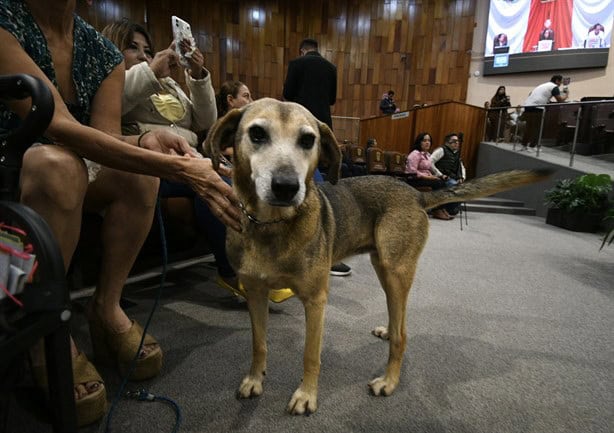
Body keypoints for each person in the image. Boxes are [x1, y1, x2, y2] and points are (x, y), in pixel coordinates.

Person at [0, 0, 240, 426]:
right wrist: (179, 167)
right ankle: (41, 336)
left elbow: (103, 139)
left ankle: (105, 308)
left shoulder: (100, 51)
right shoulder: (5, 20)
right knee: (60, 168)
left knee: (137, 175)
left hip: (70, 161)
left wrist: (147, 143)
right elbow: (51, 124)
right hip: (13, 160)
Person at [283, 38, 351, 276]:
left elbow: (287, 95)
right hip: (320, 128)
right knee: (317, 180)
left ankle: (301, 248)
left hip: (296, 126)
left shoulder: (296, 64)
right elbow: (331, 99)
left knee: (296, 178)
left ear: (302, 50)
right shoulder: (331, 68)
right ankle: (325, 251)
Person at [404, 133, 451, 220]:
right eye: (424, 140)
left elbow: (428, 170)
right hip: (414, 180)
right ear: (419, 142)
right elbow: (412, 172)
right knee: (438, 183)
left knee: (443, 182)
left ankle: (441, 208)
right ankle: (437, 210)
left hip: (424, 178)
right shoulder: (415, 154)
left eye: (429, 141)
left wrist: (439, 176)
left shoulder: (427, 155)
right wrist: (428, 177)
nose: (427, 143)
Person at [520, 74, 569, 151]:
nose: (560, 84)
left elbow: (530, 94)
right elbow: (560, 100)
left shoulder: (543, 85)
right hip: (537, 107)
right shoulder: (554, 87)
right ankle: (532, 147)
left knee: (529, 127)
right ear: (557, 81)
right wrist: (567, 94)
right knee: (537, 128)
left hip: (528, 106)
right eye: (560, 82)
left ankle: (524, 145)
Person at [431, 133, 466, 215]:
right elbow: (430, 162)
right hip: (442, 178)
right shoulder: (441, 150)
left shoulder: (457, 154)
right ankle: (445, 210)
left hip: (453, 178)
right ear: (447, 143)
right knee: (455, 186)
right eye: (454, 141)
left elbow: (462, 168)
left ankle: (449, 209)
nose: (457, 143)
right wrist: (439, 174)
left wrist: (462, 177)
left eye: (458, 141)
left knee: (464, 190)